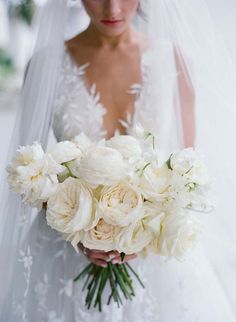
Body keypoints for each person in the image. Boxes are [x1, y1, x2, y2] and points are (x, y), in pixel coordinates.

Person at [0, 0, 236, 321]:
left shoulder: (174, 61)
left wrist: (144, 232)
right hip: (64, 254)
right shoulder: (45, 65)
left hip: (155, 258)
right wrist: (79, 228)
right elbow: (28, 173)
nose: (112, 9)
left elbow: (187, 173)